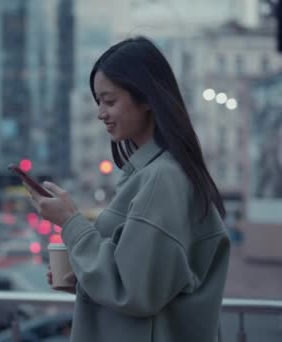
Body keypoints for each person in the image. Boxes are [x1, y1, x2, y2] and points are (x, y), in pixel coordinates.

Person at [25, 36, 230, 342]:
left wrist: (70, 222)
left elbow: (136, 291)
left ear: (146, 98)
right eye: (98, 102)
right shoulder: (154, 173)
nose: (100, 113)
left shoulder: (162, 178)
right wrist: (85, 279)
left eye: (110, 101)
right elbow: (150, 282)